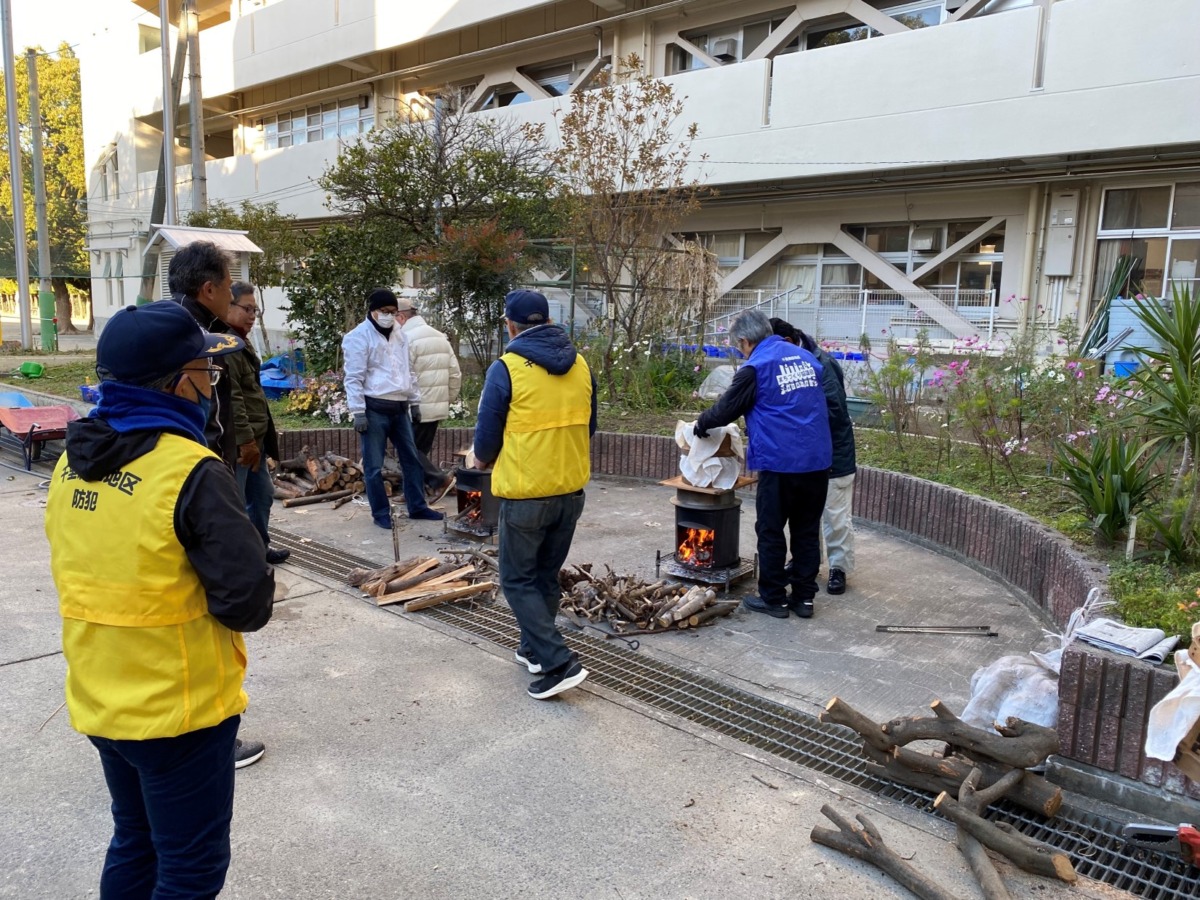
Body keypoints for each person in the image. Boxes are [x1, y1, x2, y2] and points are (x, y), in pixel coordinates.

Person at [44, 301, 275, 898]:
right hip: (180, 711)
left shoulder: (70, 462)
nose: (212, 387)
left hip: (101, 698)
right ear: (179, 382)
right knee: (190, 869)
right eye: (207, 372)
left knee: (136, 839)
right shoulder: (189, 470)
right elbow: (247, 602)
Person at [171, 242, 268, 768]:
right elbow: (245, 597)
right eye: (231, 289)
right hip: (198, 476)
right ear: (208, 288)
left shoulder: (186, 329)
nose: (235, 300)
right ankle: (212, 737)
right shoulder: (190, 338)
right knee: (203, 621)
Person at [474, 290, 597, 699]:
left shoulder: (506, 368)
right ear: (548, 321)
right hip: (571, 490)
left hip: (527, 493)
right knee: (545, 576)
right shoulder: (581, 365)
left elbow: (487, 439)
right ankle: (533, 650)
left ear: (510, 326)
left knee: (516, 579)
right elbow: (589, 426)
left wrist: (480, 460)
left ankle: (559, 663)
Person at [696, 309, 832, 619]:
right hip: (817, 461)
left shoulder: (756, 367)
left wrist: (701, 424)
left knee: (771, 530)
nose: (740, 351)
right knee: (806, 531)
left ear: (746, 340)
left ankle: (774, 599)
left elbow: (726, 409)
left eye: (738, 345)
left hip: (780, 462)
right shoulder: (806, 358)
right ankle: (804, 599)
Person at [343, 288, 444, 529]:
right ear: (372, 311)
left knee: (412, 460)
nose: (389, 316)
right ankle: (381, 513)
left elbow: (408, 371)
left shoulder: (400, 335)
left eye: (393, 311)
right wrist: (358, 411)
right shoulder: (358, 337)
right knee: (373, 466)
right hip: (374, 409)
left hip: (400, 408)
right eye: (384, 311)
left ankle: (417, 506)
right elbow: (353, 377)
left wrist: (415, 402)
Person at [770, 318, 857, 595]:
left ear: (787, 342)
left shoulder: (821, 363)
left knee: (835, 516)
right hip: (805, 455)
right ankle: (807, 562)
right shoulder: (787, 362)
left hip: (833, 456)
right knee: (805, 516)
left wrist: (794, 422)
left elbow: (834, 410)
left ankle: (838, 568)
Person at [226, 282, 290, 565]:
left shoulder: (242, 340)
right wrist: (245, 441)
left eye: (255, 310)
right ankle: (239, 558)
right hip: (242, 443)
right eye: (247, 309)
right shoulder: (225, 344)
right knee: (236, 501)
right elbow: (233, 397)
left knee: (262, 495)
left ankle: (259, 548)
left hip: (257, 439)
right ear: (228, 306)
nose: (252, 316)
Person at [169, 241, 238, 469]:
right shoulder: (202, 341)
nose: (231, 297)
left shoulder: (164, 325)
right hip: (201, 467)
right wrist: (219, 473)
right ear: (209, 290)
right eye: (228, 287)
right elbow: (213, 421)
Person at [397, 295, 461, 501]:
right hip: (436, 406)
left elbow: (403, 376)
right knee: (419, 451)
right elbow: (455, 373)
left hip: (414, 407)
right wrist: (447, 399)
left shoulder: (406, 338)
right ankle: (413, 492)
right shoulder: (439, 336)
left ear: (401, 317)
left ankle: (440, 480)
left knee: (407, 451)